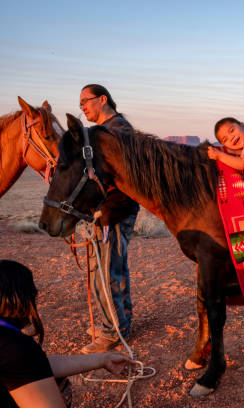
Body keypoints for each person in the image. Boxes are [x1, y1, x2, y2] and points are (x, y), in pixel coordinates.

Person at [0, 259, 136, 408]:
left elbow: (34, 365)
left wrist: (103, 359)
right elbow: (26, 363)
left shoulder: (12, 348)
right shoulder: (14, 348)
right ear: (19, 300)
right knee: (57, 384)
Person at [78, 84, 140, 353]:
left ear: (102, 99)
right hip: (111, 209)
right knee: (115, 267)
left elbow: (119, 174)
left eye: (85, 101)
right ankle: (120, 322)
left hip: (113, 210)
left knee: (105, 273)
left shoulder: (116, 130)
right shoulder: (112, 128)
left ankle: (111, 331)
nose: (81, 107)